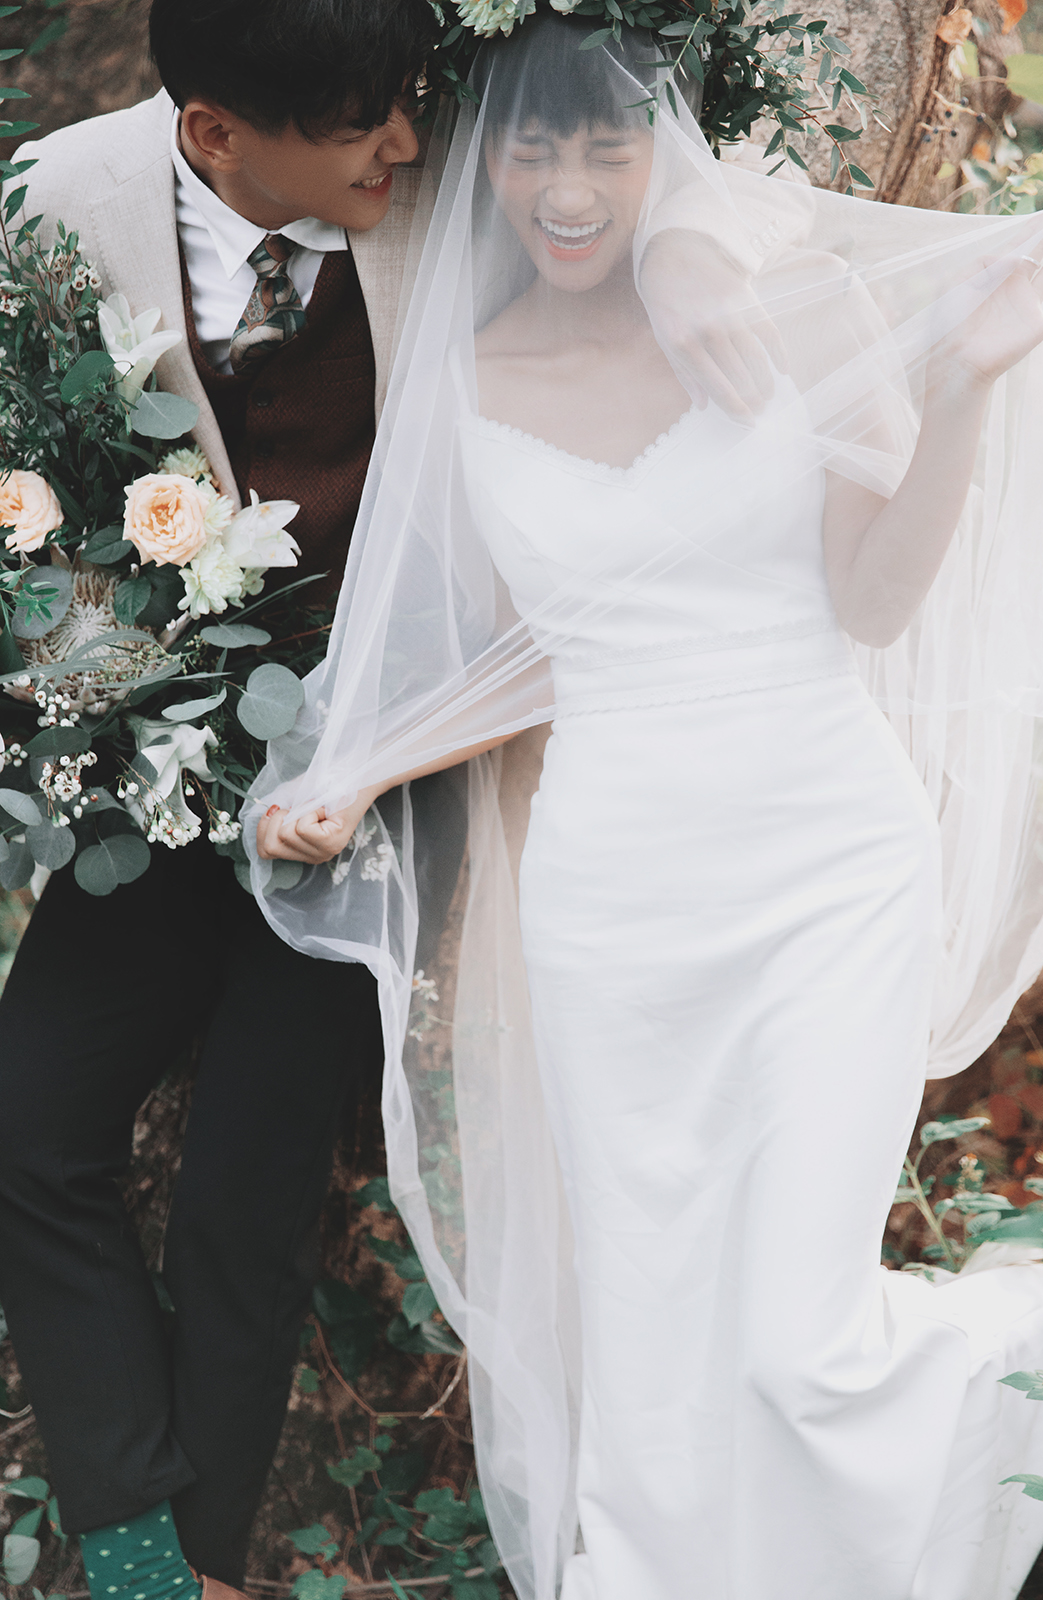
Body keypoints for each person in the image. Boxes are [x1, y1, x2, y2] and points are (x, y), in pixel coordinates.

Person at [253, 16, 1043, 1600]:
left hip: (827, 862)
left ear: (665, 156)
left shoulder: (784, 316)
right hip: (615, 896)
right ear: (487, 169)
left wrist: (962, 388)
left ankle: (1035, 1366)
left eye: (604, 147)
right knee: (651, 1320)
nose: (568, 189)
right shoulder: (469, 379)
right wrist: (358, 769)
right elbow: (528, 659)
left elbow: (876, 603)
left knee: (798, 1334)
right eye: (532, 151)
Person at [0, 2, 444, 1596]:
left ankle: (179, 1579)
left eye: (404, 106)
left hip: (373, 783)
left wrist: (366, 763)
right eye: (363, 126)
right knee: (25, 1125)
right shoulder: (56, 204)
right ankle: (137, 1546)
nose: (403, 143)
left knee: (242, 1205)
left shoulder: (447, 196)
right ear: (214, 133)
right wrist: (125, 701)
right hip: (167, 763)